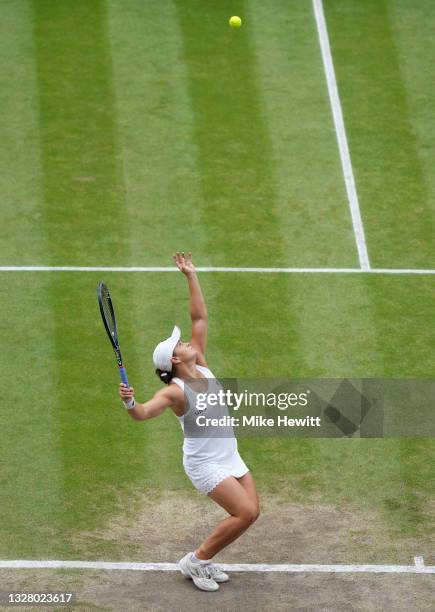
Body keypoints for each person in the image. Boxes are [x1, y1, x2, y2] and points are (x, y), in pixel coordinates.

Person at [119, 252, 260, 592]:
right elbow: (143, 414)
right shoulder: (175, 393)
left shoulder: (202, 364)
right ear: (175, 360)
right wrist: (130, 402)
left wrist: (191, 276)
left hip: (229, 454)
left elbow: (199, 317)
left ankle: (205, 560)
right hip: (205, 462)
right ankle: (195, 561)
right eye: (180, 344)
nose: (187, 342)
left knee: (252, 512)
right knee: (242, 513)